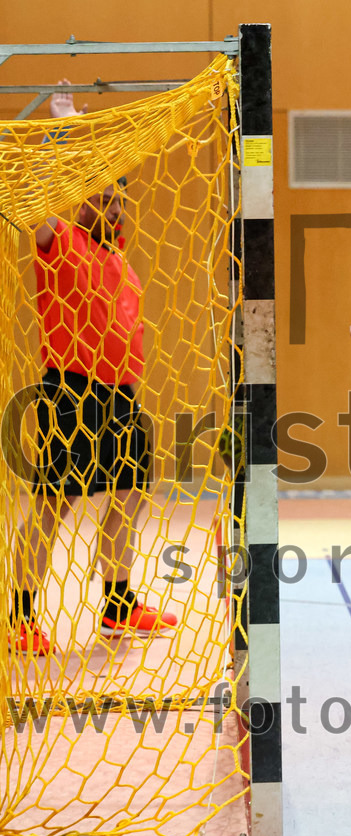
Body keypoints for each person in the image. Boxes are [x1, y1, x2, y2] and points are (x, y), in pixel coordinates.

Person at [8, 80, 178, 655]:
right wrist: (65, 128)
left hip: (122, 396)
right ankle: (22, 618)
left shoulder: (119, 255)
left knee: (128, 496)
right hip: (71, 393)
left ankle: (118, 608)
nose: (109, 203)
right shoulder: (59, 243)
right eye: (98, 196)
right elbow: (39, 201)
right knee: (54, 505)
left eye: (115, 197)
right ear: (79, 201)